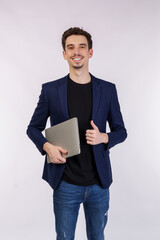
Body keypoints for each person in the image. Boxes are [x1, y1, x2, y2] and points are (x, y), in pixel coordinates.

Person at [26, 27, 127, 240]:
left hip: (99, 183)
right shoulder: (51, 90)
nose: (76, 51)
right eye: (70, 47)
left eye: (82, 46)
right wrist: (47, 147)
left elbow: (121, 131)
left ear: (90, 52)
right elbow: (32, 128)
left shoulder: (107, 90)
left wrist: (104, 137)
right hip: (65, 182)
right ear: (64, 54)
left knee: (97, 237)